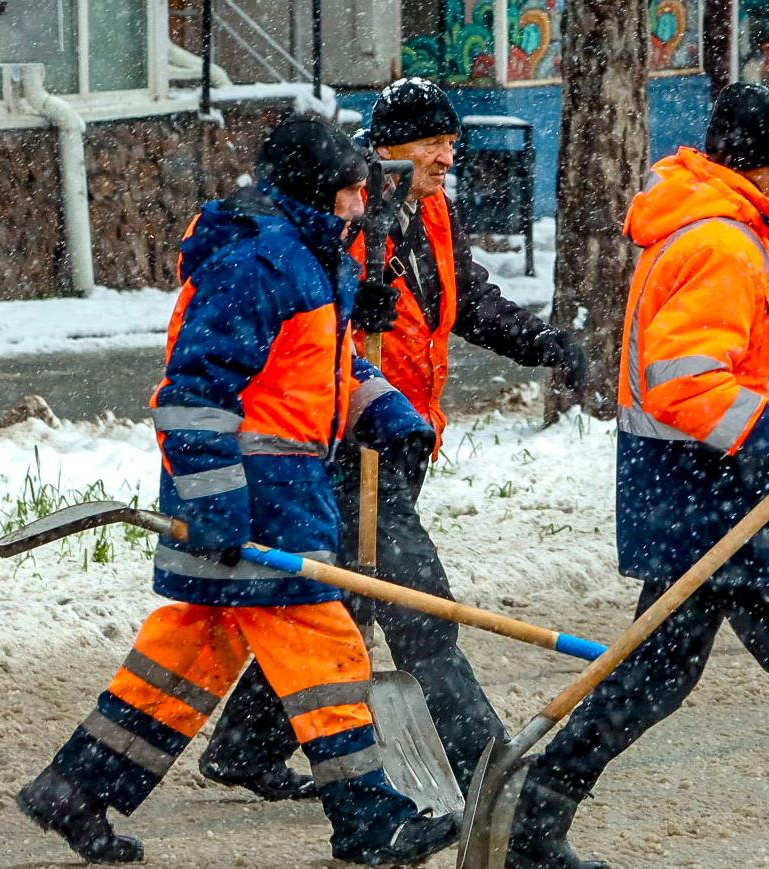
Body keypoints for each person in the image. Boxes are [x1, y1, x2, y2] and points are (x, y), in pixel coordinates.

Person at [504, 83, 769, 869]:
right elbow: (684, 382)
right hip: (716, 494)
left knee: (654, 674)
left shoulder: (738, 231)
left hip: (701, 492)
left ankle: (535, 822)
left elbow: (764, 374)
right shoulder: (719, 244)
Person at [12, 114, 457, 867]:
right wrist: (216, 500)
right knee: (325, 650)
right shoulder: (257, 263)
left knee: (188, 655)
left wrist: (385, 412)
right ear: (321, 192)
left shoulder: (312, 258)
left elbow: (321, 374)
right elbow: (191, 394)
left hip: (274, 494)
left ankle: (76, 787)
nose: (360, 206)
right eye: (351, 192)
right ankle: (368, 819)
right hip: (250, 499)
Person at [193, 77, 586, 799]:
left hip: (402, 438)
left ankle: (246, 744)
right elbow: (303, 321)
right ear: (388, 149)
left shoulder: (433, 211)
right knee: (414, 600)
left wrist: (541, 342)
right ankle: (486, 764)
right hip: (345, 438)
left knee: (349, 594)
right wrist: (351, 297)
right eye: (433, 142)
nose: (448, 154)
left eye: (450, 140)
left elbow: (465, 300)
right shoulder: (347, 209)